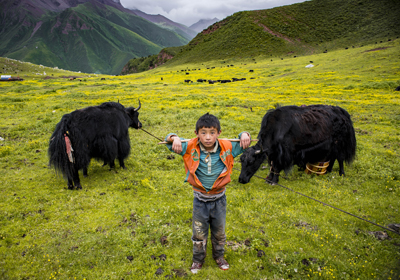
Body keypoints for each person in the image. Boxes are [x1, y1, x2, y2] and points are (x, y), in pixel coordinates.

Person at [164, 113, 251, 274]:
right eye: (203, 133)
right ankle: (198, 260)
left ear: (219, 133)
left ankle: (219, 256)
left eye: (212, 132)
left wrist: (245, 135)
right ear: (196, 133)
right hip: (200, 201)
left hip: (219, 200)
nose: (208, 137)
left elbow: (244, 140)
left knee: (219, 232)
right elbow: (168, 139)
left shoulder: (228, 146)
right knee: (198, 232)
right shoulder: (189, 146)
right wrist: (174, 137)